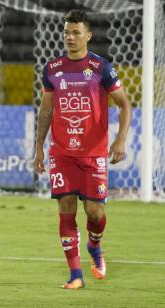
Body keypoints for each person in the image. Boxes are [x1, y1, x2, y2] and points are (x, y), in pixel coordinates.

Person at [34, 10, 132, 289]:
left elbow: (124, 104)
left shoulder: (101, 68)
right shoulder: (52, 69)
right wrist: (39, 148)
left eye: (76, 32)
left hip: (93, 153)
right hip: (62, 153)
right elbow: (46, 111)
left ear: (88, 35)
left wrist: (120, 140)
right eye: (67, 32)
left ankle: (95, 246)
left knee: (94, 213)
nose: (70, 37)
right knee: (66, 208)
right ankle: (75, 274)